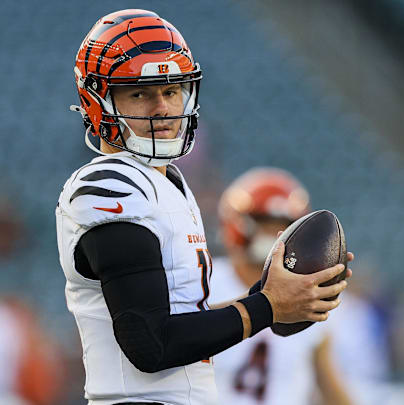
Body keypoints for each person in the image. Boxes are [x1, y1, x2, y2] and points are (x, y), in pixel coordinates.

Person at [56, 9, 352, 405]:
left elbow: (181, 322)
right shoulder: (111, 187)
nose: (161, 108)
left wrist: (276, 296)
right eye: (140, 92)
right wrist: (266, 306)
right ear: (99, 99)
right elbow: (151, 344)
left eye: (171, 90)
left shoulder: (167, 183)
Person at [209, 168, 353, 405]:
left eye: (284, 226)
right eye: (265, 223)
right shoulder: (207, 281)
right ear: (238, 224)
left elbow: (329, 384)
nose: (274, 236)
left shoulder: (309, 293)